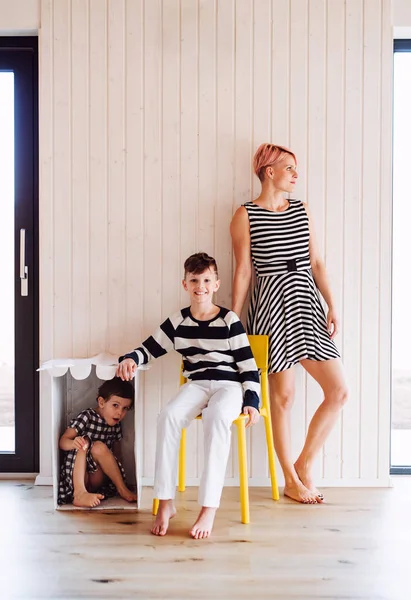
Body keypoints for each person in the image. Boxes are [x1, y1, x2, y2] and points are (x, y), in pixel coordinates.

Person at [230, 143, 348, 504]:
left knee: (339, 392)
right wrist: (234, 320)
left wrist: (331, 303)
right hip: (269, 305)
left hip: (306, 302)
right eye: (289, 167)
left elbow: (317, 262)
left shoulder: (301, 209)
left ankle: (304, 465)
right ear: (269, 171)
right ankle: (290, 479)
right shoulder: (245, 214)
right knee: (282, 397)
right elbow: (244, 270)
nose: (296, 174)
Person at [116, 252, 260, 539]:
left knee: (217, 417)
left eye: (207, 280)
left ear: (216, 284)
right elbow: (148, 348)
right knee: (167, 416)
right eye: (195, 280)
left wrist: (252, 402)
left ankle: (208, 509)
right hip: (197, 384)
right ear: (185, 284)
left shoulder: (229, 320)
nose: (201, 286)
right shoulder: (178, 322)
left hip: (228, 386)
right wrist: (130, 358)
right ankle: (165, 502)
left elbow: (248, 366)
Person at [58, 377, 137, 508]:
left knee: (100, 448)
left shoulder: (116, 424)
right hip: (78, 475)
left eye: (125, 408)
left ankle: (121, 489)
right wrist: (74, 443)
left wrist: (120, 480)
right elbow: (62, 441)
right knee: (87, 442)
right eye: (115, 405)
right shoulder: (87, 416)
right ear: (101, 402)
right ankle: (79, 493)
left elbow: (117, 455)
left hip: (96, 478)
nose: (120, 412)